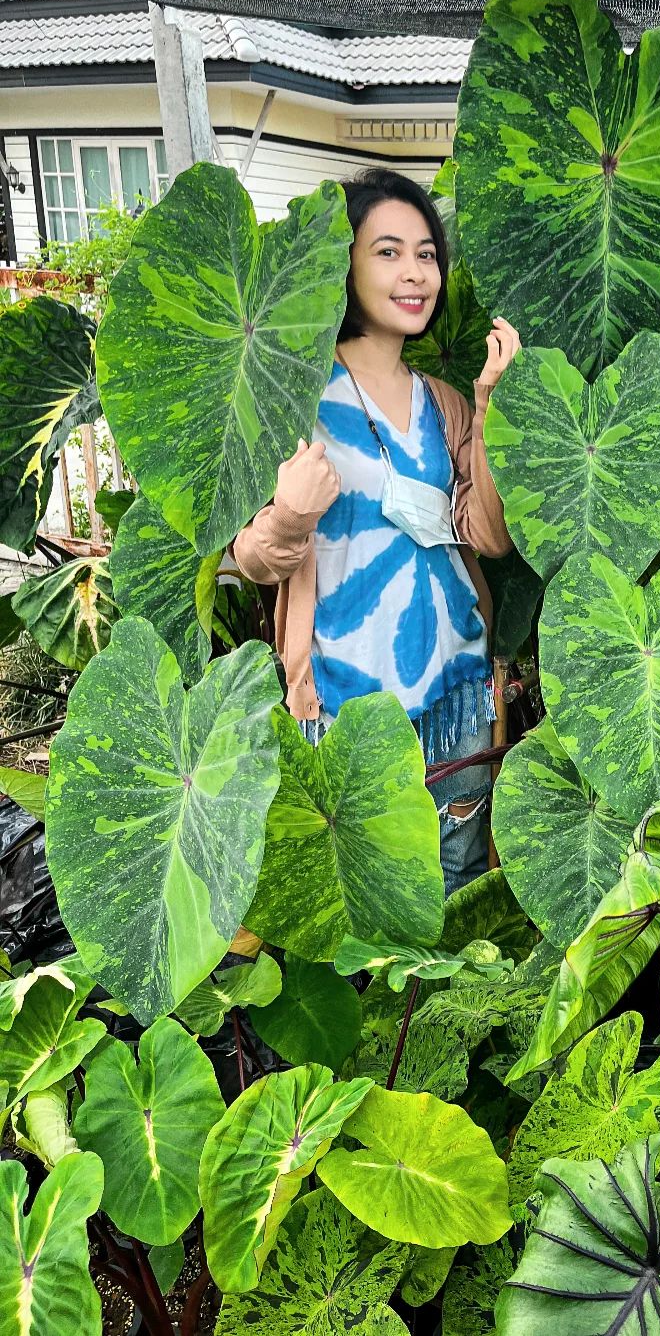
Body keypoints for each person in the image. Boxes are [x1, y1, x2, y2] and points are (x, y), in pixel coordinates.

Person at [233, 167, 518, 894]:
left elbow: (486, 538)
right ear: (346, 268)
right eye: (387, 252)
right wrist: (292, 512)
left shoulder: (444, 403)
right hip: (344, 702)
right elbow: (252, 560)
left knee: (455, 887)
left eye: (426, 253)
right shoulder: (296, 400)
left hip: (454, 686)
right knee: (358, 900)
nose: (414, 272)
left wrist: (486, 405)